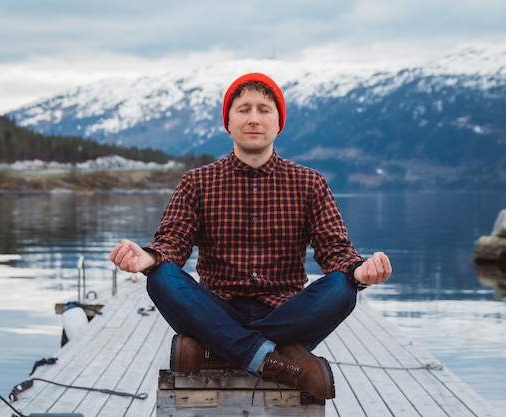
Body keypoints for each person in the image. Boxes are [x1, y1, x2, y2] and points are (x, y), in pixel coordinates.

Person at [109, 72, 391, 400]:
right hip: (218, 307)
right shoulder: (196, 182)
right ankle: (275, 358)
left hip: (287, 313)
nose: (254, 118)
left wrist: (359, 271)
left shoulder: (310, 183)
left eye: (264, 109)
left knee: (343, 287)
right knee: (160, 277)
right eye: (243, 109)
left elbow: (334, 249)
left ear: (278, 123)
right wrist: (149, 257)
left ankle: (216, 350)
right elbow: (172, 242)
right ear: (228, 122)